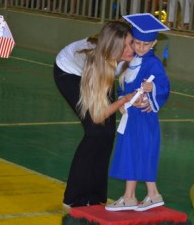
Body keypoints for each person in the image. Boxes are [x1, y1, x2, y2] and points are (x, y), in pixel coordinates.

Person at [54, 21, 137, 208]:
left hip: (104, 71)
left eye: (131, 42)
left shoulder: (128, 52)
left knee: (108, 135)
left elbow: (126, 80)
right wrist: (122, 101)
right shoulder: (97, 63)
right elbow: (98, 115)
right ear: (113, 48)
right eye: (124, 47)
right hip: (71, 73)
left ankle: (96, 195)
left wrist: (125, 97)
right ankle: (73, 197)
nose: (131, 49)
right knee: (95, 132)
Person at [106, 13, 170, 212]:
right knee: (130, 154)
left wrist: (153, 90)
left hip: (143, 118)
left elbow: (164, 86)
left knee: (138, 153)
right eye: (136, 43)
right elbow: (124, 88)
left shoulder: (153, 64)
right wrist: (121, 101)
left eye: (146, 44)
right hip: (131, 117)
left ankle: (137, 195)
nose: (140, 48)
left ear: (153, 45)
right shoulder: (129, 62)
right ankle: (135, 196)